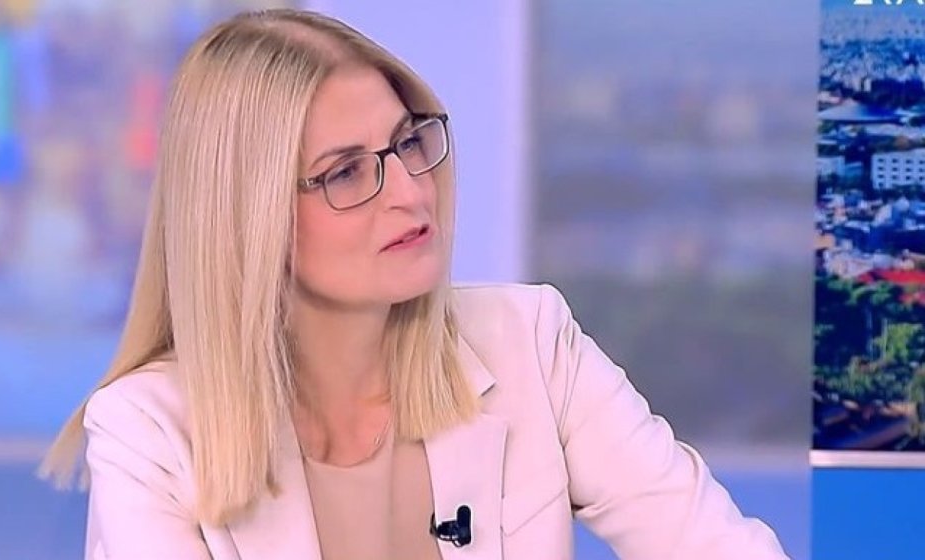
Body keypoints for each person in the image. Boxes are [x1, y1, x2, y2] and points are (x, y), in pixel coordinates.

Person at [40, 8, 790, 560]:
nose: (409, 190)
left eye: (407, 143)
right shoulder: (148, 433)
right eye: (345, 172)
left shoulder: (531, 343)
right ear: (248, 217)